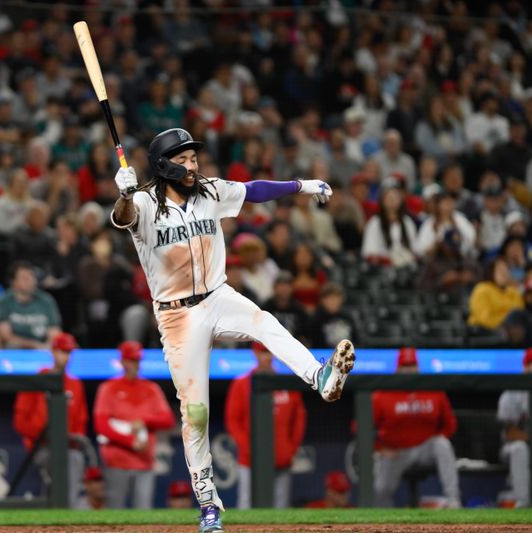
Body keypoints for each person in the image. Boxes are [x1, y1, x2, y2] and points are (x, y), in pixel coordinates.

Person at [111, 128, 355, 532]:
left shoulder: (209, 191)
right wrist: (122, 194)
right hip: (176, 316)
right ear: (163, 165)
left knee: (266, 321)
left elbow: (254, 190)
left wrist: (302, 184)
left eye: (193, 158)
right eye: (183, 160)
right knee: (196, 412)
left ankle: (320, 376)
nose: (192, 165)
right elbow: (123, 218)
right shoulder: (141, 202)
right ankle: (208, 505)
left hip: (216, 295)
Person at [372, 347, 461, 508]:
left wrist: (439, 435)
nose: (408, 370)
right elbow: (360, 427)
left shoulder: (433, 391)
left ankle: (454, 500)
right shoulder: (382, 394)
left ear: (418, 368)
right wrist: (380, 448)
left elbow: (450, 423)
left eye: (411, 365)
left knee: (442, 444)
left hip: (425, 448)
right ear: (397, 369)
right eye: (405, 366)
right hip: (396, 452)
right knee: (381, 490)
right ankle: (383, 521)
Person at [225, 342, 307, 509]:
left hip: (282, 458)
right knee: (246, 505)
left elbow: (299, 418)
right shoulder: (241, 384)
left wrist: (290, 448)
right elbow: (233, 420)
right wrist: (250, 448)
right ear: (254, 353)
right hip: (250, 459)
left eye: (269, 352)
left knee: (280, 507)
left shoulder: (286, 383)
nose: (266, 357)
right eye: (262, 352)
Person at [94, 341, 175, 509]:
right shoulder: (108, 388)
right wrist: (130, 441)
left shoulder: (151, 388)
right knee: (114, 513)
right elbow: (101, 425)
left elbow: (168, 420)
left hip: (144, 460)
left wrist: (145, 421)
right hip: (117, 459)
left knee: (143, 514)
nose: (134, 365)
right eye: (131, 360)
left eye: (137, 360)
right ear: (123, 361)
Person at [13, 332, 88, 508]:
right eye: (62, 352)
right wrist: (44, 436)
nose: (66, 357)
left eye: (69, 352)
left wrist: (70, 438)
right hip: (41, 447)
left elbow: (81, 420)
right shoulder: (37, 379)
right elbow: (20, 420)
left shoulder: (75, 384)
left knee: (74, 458)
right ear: (53, 352)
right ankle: (66, 511)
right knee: (69, 461)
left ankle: (66, 509)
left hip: (68, 448)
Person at [496, 347, 532, 508]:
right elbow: (511, 432)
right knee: (519, 448)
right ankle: (522, 501)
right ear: (525, 366)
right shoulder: (512, 392)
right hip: (513, 447)